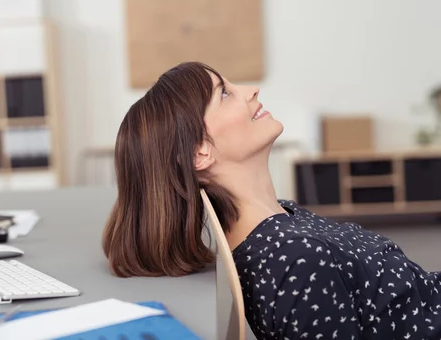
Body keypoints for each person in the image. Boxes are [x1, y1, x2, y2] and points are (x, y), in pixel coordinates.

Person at [102, 61, 441, 339]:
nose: (251, 91)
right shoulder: (295, 259)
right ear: (198, 152)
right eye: (224, 93)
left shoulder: (282, 218)